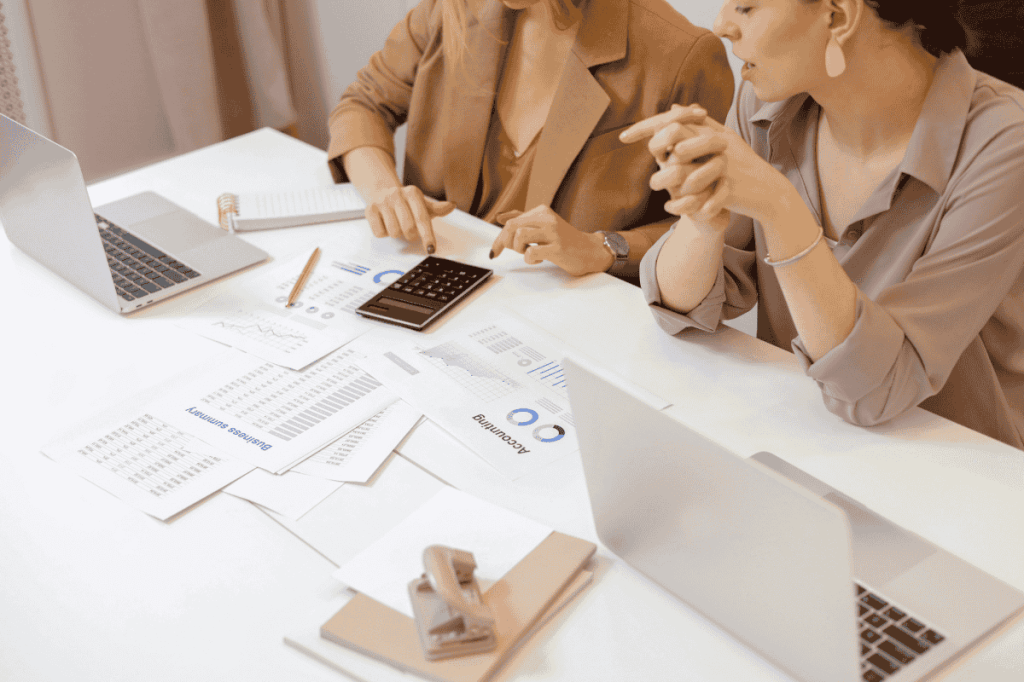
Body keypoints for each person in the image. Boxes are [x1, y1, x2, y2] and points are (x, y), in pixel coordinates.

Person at [622, 0, 1024, 448]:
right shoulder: (768, 104)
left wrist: (780, 207)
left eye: (746, 7)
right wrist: (703, 218)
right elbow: (680, 310)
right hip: (809, 439)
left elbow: (879, 390)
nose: (720, 26)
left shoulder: (1005, 147)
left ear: (838, 16)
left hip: (960, 471)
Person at [326, 0, 734, 279]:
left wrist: (604, 248)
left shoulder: (681, 55)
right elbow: (362, 106)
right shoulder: (450, 10)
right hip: (434, 282)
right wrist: (383, 191)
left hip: (572, 324)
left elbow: (709, 227)